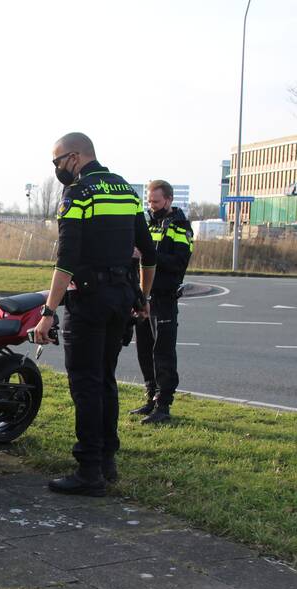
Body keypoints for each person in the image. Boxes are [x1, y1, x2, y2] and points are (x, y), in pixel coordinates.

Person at [33, 132, 156, 496]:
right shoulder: (126, 191)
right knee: (105, 379)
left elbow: (66, 260)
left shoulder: (78, 194)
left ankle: (88, 471)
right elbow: (148, 254)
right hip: (121, 299)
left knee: (85, 384)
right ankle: (107, 461)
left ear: (73, 157)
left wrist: (48, 311)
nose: (57, 170)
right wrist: (144, 297)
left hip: (88, 300)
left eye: (57, 162)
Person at [129, 180, 194, 424]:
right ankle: (149, 399)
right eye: (149, 201)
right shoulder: (146, 222)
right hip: (143, 297)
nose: (151, 205)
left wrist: (147, 254)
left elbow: (179, 262)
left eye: (155, 201)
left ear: (168, 200)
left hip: (164, 299)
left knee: (163, 353)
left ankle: (163, 406)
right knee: (144, 349)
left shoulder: (180, 226)